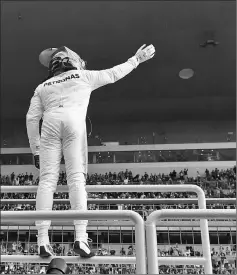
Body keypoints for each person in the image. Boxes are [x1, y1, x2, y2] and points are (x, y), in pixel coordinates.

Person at [26, 44, 155, 258]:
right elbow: (114, 74)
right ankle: (81, 238)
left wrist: (36, 150)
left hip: (49, 123)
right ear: (73, 62)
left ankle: (42, 241)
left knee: (47, 181)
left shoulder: (42, 86)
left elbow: (31, 119)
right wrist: (136, 59)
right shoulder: (83, 76)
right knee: (76, 180)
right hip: (73, 122)